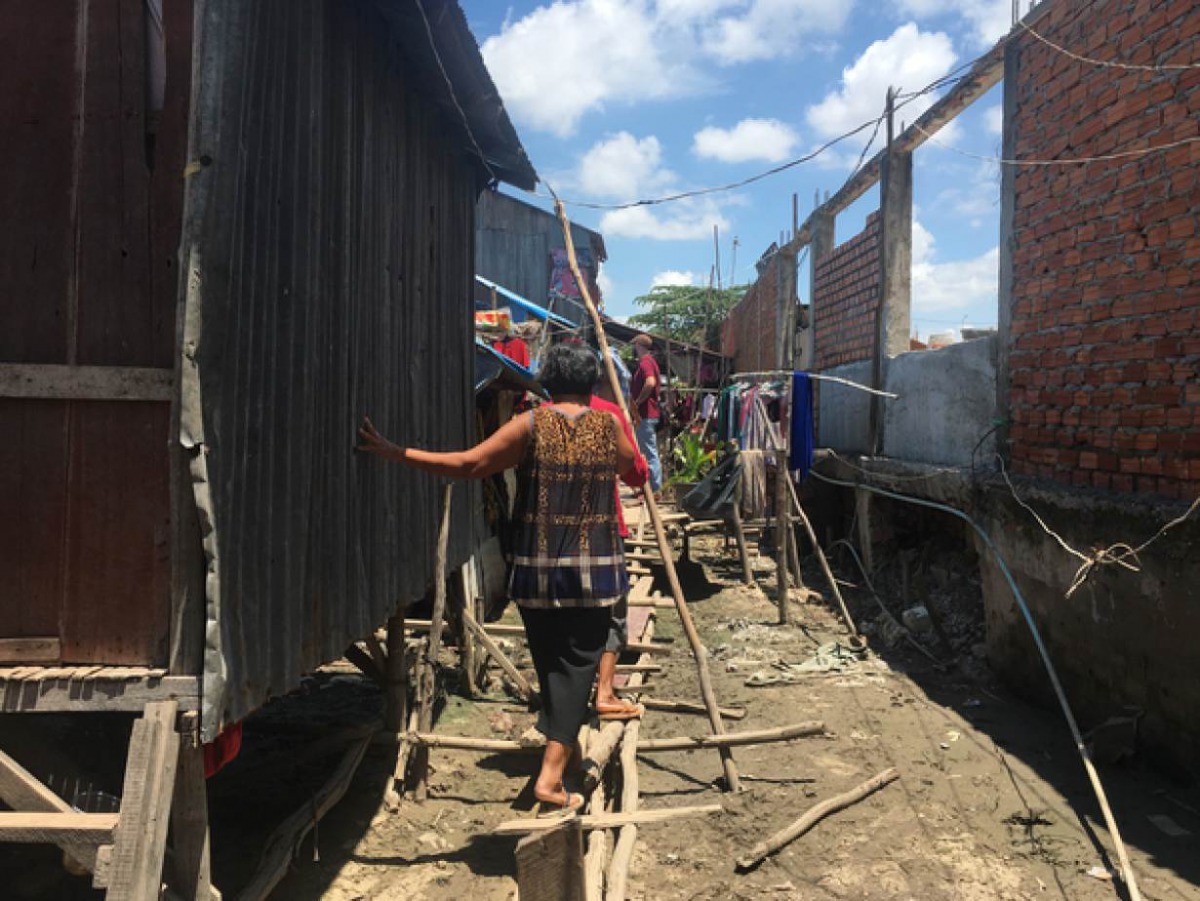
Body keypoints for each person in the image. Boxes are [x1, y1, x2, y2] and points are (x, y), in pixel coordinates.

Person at [357, 343, 637, 815]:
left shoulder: (530, 425)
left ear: (548, 380)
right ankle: (550, 777)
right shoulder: (607, 426)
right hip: (595, 571)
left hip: (536, 571)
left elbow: (468, 465)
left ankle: (554, 747)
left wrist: (395, 451)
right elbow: (630, 468)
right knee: (576, 669)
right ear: (592, 384)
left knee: (553, 666)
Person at [589, 376, 649, 722]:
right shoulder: (609, 414)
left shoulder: (538, 416)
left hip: (550, 536)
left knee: (565, 614)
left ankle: (567, 692)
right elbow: (637, 474)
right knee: (612, 612)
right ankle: (605, 690)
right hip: (604, 529)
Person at [629, 334, 663, 494]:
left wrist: (637, 402)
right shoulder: (650, 362)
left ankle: (655, 489)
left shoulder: (645, 363)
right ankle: (649, 488)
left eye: (635, 345)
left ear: (639, 345)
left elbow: (650, 382)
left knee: (649, 452)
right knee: (647, 451)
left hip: (646, 414)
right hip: (647, 414)